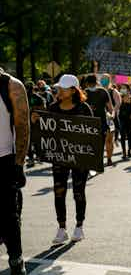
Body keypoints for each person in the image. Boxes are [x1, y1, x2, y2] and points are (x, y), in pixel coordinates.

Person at [42, 75, 94, 245]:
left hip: (79, 158)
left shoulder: (84, 108)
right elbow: (46, 130)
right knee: (59, 191)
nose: (59, 91)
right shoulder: (52, 108)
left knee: (78, 191)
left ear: (73, 90)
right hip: (59, 157)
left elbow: (92, 133)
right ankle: (61, 228)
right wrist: (37, 122)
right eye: (59, 88)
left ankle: (79, 226)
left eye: (63, 88)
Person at [0, 68, 29, 275]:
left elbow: (22, 126)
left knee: (9, 215)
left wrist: (19, 164)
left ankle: (16, 261)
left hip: (4, 159)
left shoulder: (12, 86)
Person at [84, 74, 113, 162]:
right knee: (101, 141)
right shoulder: (103, 91)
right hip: (101, 120)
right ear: (96, 82)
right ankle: (99, 160)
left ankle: (96, 160)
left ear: (87, 83)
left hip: (90, 121)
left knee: (92, 142)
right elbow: (110, 107)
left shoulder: (84, 92)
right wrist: (110, 116)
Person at [100, 74, 120, 166]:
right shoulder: (98, 91)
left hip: (110, 118)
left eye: (105, 79)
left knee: (109, 139)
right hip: (100, 118)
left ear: (109, 80)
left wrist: (112, 113)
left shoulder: (113, 91)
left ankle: (109, 158)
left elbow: (118, 103)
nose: (103, 81)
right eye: (102, 79)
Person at [25, 81, 46, 167]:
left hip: (36, 121)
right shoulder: (23, 97)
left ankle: (38, 155)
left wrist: (33, 108)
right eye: (27, 88)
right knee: (29, 140)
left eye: (29, 88)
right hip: (26, 121)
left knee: (36, 139)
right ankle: (31, 157)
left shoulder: (38, 97)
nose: (28, 90)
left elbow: (44, 108)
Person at [118, 84, 131, 159]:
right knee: (122, 135)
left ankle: (129, 150)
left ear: (128, 90)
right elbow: (117, 106)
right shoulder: (120, 97)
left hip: (129, 119)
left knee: (129, 135)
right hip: (121, 118)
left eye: (124, 88)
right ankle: (124, 152)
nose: (122, 89)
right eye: (121, 88)